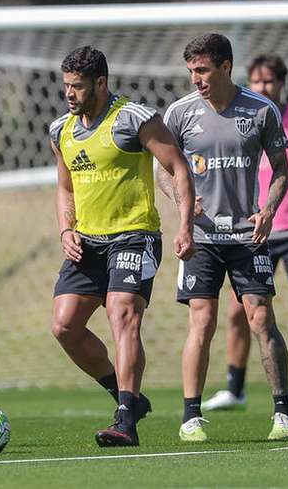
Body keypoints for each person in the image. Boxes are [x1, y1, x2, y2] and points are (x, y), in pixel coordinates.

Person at [49, 46, 196, 447]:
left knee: (122, 314)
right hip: (88, 242)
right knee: (64, 326)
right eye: (66, 86)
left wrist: (185, 225)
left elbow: (177, 167)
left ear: (101, 82)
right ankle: (124, 394)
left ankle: (125, 421)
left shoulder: (135, 118)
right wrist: (66, 230)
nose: (70, 94)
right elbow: (64, 187)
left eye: (77, 86)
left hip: (134, 235)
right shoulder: (60, 130)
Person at [159, 33, 288, 442]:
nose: (195, 79)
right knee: (201, 321)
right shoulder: (180, 113)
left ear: (225, 67)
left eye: (202, 70)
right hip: (200, 237)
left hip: (246, 236)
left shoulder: (261, 111)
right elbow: (163, 172)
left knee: (261, 318)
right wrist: (183, 205)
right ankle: (190, 417)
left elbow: (282, 169)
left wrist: (268, 211)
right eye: (190, 72)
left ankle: (283, 413)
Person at [201, 54, 288, 413]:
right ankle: (235, 389)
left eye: (269, 81)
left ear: (282, 82)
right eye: (257, 81)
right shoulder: (243, 119)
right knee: (238, 314)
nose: (263, 88)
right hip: (252, 232)